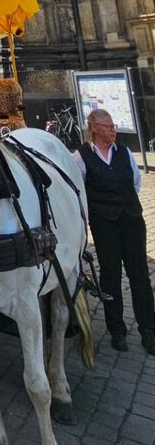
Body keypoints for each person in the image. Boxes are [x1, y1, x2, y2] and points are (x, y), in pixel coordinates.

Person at [74, 109, 155, 353]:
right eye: (108, 126)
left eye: (113, 125)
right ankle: (117, 329)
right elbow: (79, 190)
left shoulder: (125, 153)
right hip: (104, 224)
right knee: (110, 274)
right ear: (94, 128)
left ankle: (148, 329)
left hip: (131, 220)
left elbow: (135, 183)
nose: (113, 130)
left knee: (139, 274)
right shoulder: (81, 156)